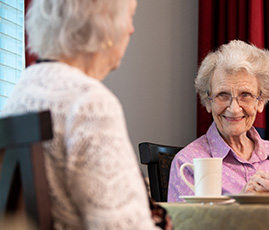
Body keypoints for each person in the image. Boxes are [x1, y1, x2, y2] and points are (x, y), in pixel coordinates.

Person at [1, 0, 170, 229]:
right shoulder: (90, 103)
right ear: (105, 24)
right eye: (129, 17)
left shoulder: (20, 92)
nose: (131, 29)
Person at [168, 40, 269, 202]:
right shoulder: (187, 163)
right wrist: (240, 204)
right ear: (208, 101)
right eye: (222, 94)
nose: (234, 109)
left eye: (245, 95)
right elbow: (183, 224)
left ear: (260, 101)